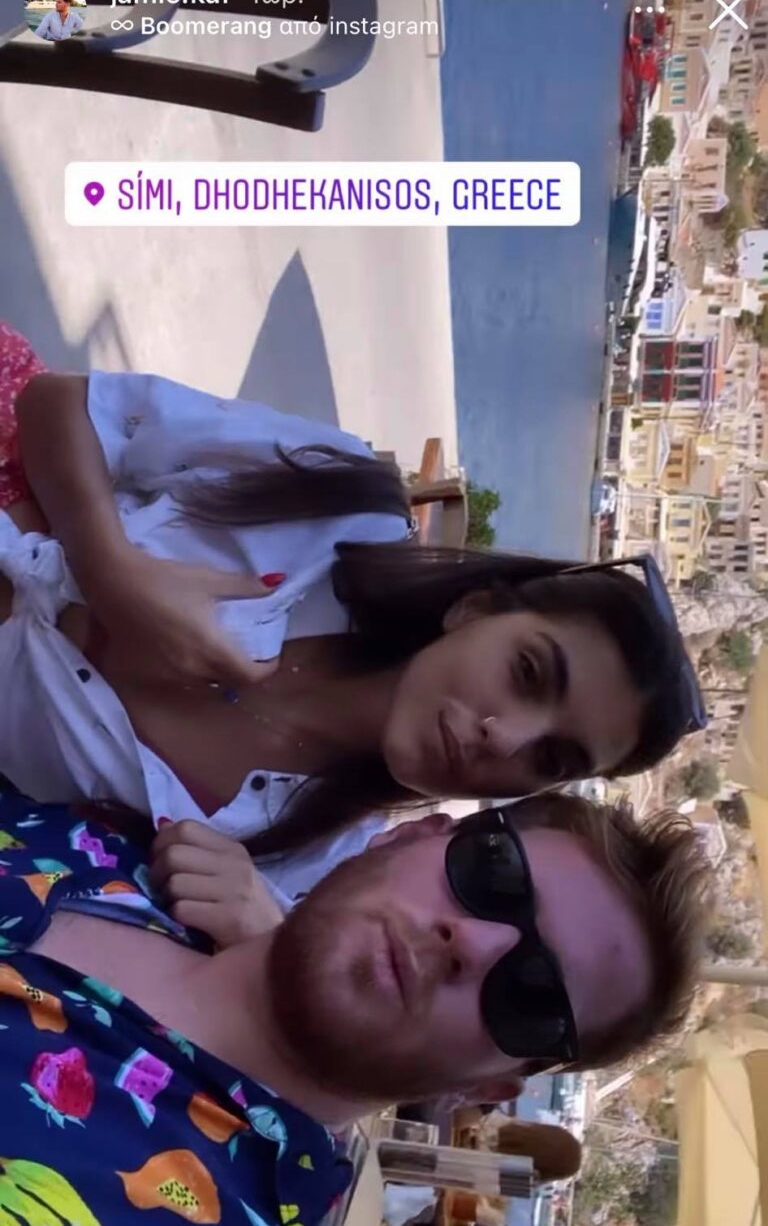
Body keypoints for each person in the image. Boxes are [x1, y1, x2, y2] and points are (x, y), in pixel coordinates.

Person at [0, 329, 705, 909]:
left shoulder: (304, 860)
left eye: (551, 758)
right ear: (479, 607)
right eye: (527, 672)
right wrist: (111, 570)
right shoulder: (341, 506)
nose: (507, 737)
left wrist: (255, 928)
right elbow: (56, 403)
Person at [0, 782, 710, 1226]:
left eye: (532, 993)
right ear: (408, 836)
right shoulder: (108, 849)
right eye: (494, 873)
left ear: (487, 1086)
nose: (472, 941)